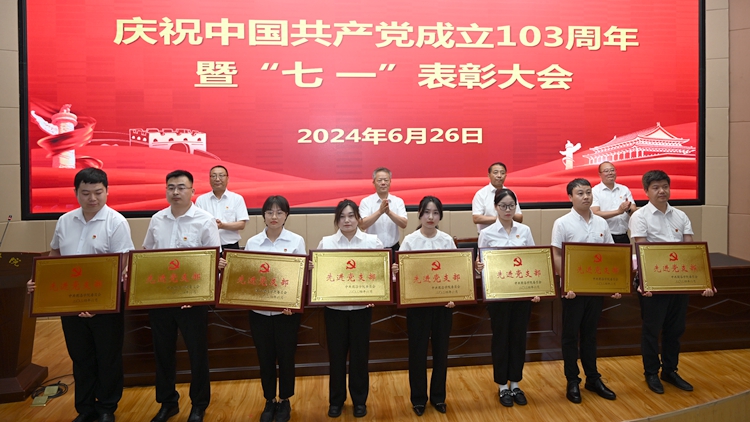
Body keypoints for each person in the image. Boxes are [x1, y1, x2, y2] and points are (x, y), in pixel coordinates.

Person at [27, 168, 133, 422]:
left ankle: (106, 408)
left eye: (98, 192)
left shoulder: (116, 222)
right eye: (85, 193)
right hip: (70, 303)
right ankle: (85, 409)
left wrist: (98, 302)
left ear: (107, 191)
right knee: (80, 357)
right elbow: (55, 256)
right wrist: (40, 281)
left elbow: (122, 265)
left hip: (105, 305)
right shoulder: (65, 220)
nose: (92, 198)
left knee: (107, 357)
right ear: (76, 192)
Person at [143, 170, 221, 422]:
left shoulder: (204, 220)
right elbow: (147, 255)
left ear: (192, 191)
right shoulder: (157, 219)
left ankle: (199, 404)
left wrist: (196, 295)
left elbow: (212, 261)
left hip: (193, 302)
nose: (175, 192)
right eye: (171, 187)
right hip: (161, 300)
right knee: (163, 353)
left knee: (197, 354)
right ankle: (168, 403)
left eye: (181, 187)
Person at [629, 170, 715, 394]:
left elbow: (689, 250)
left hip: (678, 282)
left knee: (675, 329)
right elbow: (642, 249)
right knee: (651, 329)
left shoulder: (681, 216)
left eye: (665, 186)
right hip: (653, 284)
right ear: (646, 191)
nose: (662, 191)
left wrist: (703, 281)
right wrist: (645, 282)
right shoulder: (639, 216)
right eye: (656, 187)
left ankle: (670, 370)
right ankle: (651, 372)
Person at [551, 178, 621, 404]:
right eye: (580, 193)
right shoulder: (562, 223)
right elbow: (557, 255)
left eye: (589, 192)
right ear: (570, 197)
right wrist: (566, 283)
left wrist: (614, 285)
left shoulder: (601, 223)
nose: (586, 197)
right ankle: (572, 380)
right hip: (572, 291)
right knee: (571, 336)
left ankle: (593, 378)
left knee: (590, 335)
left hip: (596, 289)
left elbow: (611, 254)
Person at [318, 199, 383, 418]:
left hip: (361, 309)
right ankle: (336, 401)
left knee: (359, 356)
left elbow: (381, 276)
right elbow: (319, 277)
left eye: (351, 216)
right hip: (334, 310)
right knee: (336, 357)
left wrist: (378, 291)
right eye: (342, 217)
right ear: (337, 220)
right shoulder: (326, 243)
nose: (347, 220)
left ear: (358, 219)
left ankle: (359, 401)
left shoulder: (372, 242)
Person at [243, 196, 306, 422]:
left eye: (279, 212)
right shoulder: (252, 243)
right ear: (263, 215)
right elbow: (247, 278)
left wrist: (292, 303)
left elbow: (300, 277)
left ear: (286, 215)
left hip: (286, 314)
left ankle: (285, 399)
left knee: (286, 357)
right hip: (259, 313)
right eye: (270, 212)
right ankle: (269, 400)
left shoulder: (296, 241)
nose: (274, 216)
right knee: (265, 357)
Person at [475, 189, 539, 408]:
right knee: (501, 338)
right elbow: (481, 265)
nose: (507, 210)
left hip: (521, 294)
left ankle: (516, 383)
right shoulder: (487, 233)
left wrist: (537, 289)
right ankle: (502, 385)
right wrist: (478, 267)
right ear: (495, 207)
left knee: (519, 337)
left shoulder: (525, 230)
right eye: (503, 206)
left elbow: (532, 260)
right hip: (498, 296)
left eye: (511, 205)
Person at [392, 196, 455, 416]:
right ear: (419, 214)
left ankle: (438, 397)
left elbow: (455, 272)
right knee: (417, 353)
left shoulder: (447, 240)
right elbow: (401, 277)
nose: (431, 217)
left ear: (440, 216)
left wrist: (454, 296)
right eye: (427, 212)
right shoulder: (410, 241)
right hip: (417, 307)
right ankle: (418, 398)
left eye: (435, 213)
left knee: (441, 353)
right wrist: (396, 271)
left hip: (442, 307)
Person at [195, 165, 249, 251]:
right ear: (209, 179)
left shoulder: (237, 198)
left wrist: (222, 225)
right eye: (213, 176)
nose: (217, 179)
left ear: (228, 178)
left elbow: (241, 224)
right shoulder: (201, 200)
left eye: (221, 175)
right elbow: (197, 224)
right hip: (208, 246)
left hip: (230, 246)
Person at [359, 167, 408, 251]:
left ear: (390, 182)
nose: (383, 183)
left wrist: (389, 212)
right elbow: (363, 225)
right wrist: (380, 212)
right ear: (373, 182)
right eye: (379, 180)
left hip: (393, 248)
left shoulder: (398, 201)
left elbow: (404, 224)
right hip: (372, 248)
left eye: (386, 180)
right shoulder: (366, 202)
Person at [591, 161, 636, 244]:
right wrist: (618, 211)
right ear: (600, 174)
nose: (610, 173)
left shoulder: (624, 189)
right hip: (604, 236)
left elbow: (633, 210)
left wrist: (627, 209)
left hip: (623, 236)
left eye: (612, 170)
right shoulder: (595, 191)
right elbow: (595, 213)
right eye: (606, 171)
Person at [472, 162, 523, 233]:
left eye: (502, 173)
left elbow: (519, 218)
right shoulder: (481, 194)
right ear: (489, 175)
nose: (499, 176)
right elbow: (477, 218)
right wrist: (501, 218)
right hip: (488, 235)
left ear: (505, 176)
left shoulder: (510, 193)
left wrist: (507, 215)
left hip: (509, 233)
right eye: (495, 173)